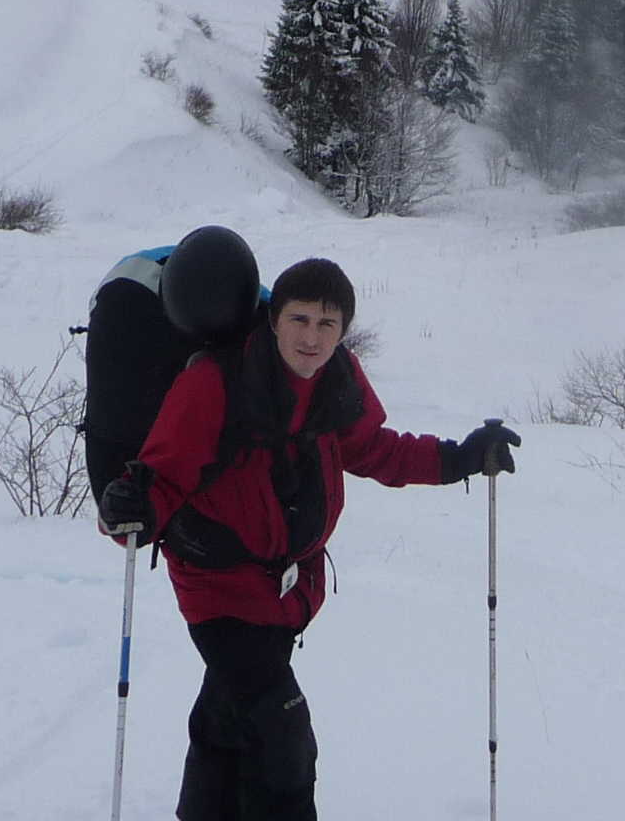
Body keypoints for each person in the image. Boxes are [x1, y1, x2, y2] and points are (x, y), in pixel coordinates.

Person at [99, 255, 519, 821]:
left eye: (328, 324)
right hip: (217, 587)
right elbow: (163, 476)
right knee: (283, 732)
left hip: (288, 591)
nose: (312, 337)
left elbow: (376, 450)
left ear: (345, 330)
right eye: (299, 319)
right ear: (273, 320)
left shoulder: (337, 382)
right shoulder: (214, 384)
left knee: (228, 716)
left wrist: (460, 458)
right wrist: (130, 511)